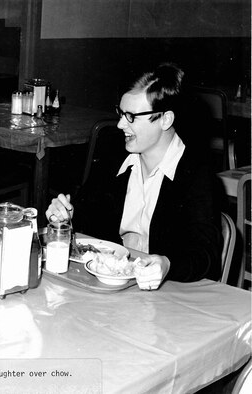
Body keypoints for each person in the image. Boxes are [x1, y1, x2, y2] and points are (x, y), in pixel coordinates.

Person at [46, 63, 222, 290]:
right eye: (121, 113)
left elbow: (204, 254)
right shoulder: (115, 156)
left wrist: (167, 264)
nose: (120, 124)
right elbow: (90, 221)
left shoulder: (196, 174)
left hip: (170, 292)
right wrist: (67, 217)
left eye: (131, 116)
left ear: (165, 120)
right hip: (112, 288)